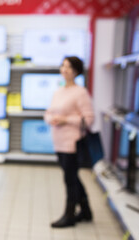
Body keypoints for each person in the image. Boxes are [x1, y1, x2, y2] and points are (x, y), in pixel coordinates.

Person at [44, 56, 94, 228]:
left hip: (72, 143)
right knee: (73, 177)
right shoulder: (59, 91)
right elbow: (48, 113)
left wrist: (66, 119)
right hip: (58, 142)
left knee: (70, 180)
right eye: (63, 66)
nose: (64, 70)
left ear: (76, 71)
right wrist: (51, 118)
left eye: (69, 67)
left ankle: (69, 215)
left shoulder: (80, 92)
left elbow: (88, 119)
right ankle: (86, 211)